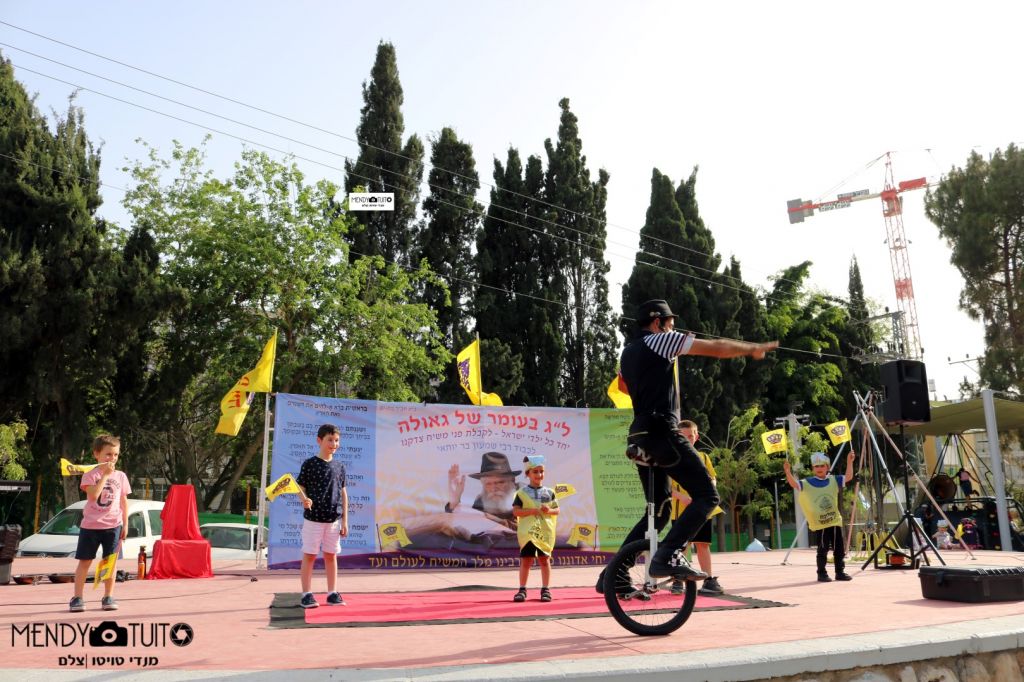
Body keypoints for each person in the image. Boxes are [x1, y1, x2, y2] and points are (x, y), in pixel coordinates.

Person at [598, 298, 777, 592]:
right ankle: (667, 554)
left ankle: (613, 574)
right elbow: (716, 348)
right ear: (658, 322)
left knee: (660, 513)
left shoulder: (627, 352)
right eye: (670, 323)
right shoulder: (661, 340)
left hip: (639, 434)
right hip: (662, 430)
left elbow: (627, 387)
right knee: (707, 495)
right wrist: (751, 348)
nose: (673, 328)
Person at [70, 435, 131, 613]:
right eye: (108, 454)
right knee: (85, 562)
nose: (112, 458)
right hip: (91, 526)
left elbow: (123, 501)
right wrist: (105, 475)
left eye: (115, 455)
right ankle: (77, 598)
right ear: (97, 454)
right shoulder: (90, 475)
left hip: (113, 526)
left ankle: (108, 596)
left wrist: (125, 524)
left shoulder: (121, 476)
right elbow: (93, 495)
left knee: (109, 563)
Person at [295, 424, 349, 609]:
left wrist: (345, 520)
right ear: (319, 440)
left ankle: (332, 593)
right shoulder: (310, 464)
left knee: (331, 555)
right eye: (330, 440)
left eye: (336, 440)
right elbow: (300, 487)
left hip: (333, 520)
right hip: (313, 519)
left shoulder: (340, 466)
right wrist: (304, 499)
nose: (334, 444)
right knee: (310, 555)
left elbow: (343, 493)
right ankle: (306, 594)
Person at [669, 420, 725, 596]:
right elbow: (666, 486)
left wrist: (710, 488)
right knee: (681, 545)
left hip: (702, 508)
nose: (687, 439)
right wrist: (682, 498)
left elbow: (712, 478)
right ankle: (678, 579)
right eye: (683, 436)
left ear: (696, 437)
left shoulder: (704, 457)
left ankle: (708, 580)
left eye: (690, 436)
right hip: (681, 509)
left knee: (702, 544)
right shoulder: (671, 457)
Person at [783, 451, 856, 582]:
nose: (819, 468)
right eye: (816, 466)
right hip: (820, 524)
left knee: (839, 549)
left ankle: (840, 572)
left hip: (834, 521)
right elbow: (794, 484)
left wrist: (849, 462)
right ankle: (821, 573)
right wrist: (788, 472)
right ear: (813, 469)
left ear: (827, 467)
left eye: (822, 466)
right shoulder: (807, 482)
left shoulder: (834, 480)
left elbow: (849, 476)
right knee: (822, 549)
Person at [511, 456, 559, 603]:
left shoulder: (549, 492)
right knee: (526, 560)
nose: (539, 474)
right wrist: (532, 511)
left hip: (544, 532)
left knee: (544, 560)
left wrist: (548, 510)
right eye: (535, 472)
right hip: (528, 533)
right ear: (528, 474)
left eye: (541, 471)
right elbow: (516, 512)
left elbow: (557, 510)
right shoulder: (521, 493)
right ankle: (522, 590)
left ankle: (546, 590)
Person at [446, 452, 520, 530]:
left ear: (512, 480)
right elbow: (468, 526)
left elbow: (526, 528)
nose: (493, 489)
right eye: (488, 484)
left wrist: (499, 522)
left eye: (500, 482)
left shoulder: (525, 496)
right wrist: (454, 504)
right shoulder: (481, 500)